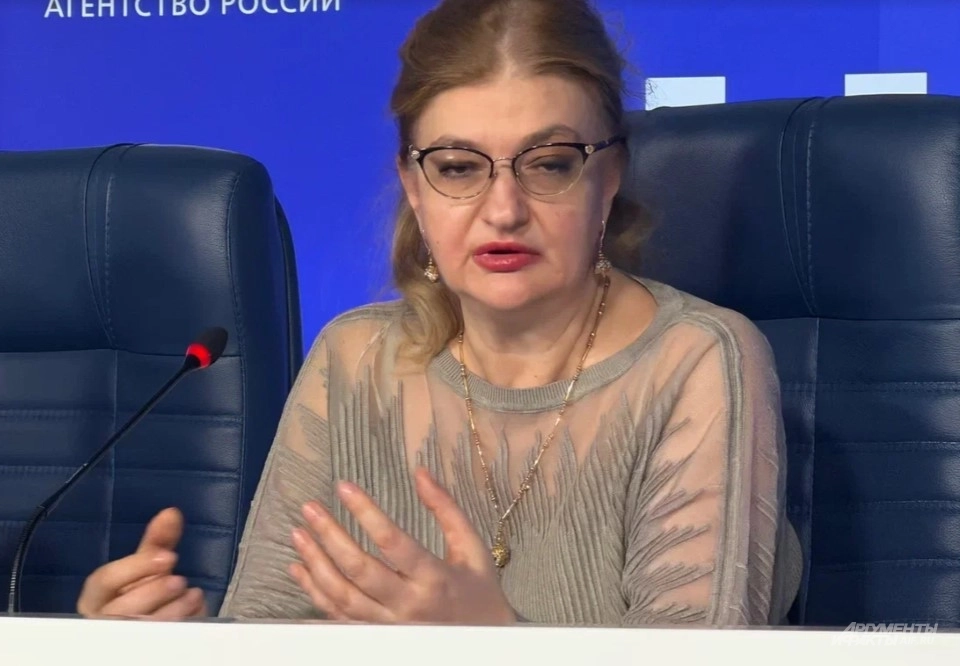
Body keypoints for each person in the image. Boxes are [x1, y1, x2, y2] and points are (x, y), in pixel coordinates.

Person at [77, 0, 802, 626]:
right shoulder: (354, 359)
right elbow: (271, 632)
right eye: (458, 167)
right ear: (414, 186)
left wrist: (493, 642)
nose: (503, 209)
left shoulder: (700, 361)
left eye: (549, 162)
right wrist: (154, 650)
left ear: (608, 176)